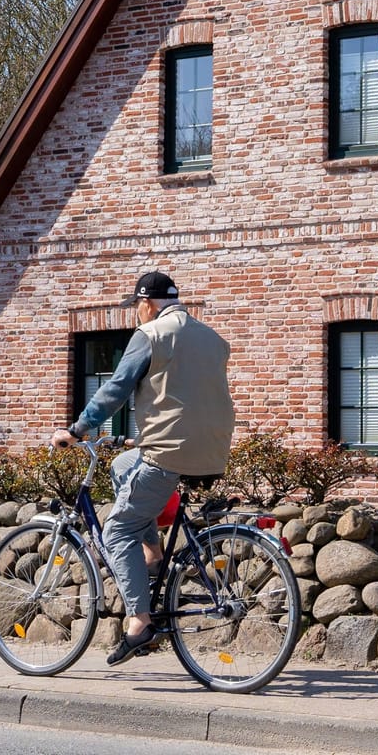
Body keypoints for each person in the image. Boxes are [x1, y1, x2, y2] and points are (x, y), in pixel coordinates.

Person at [50, 270, 235, 665]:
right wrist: (141, 437)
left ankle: (139, 623)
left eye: (136, 305)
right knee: (122, 464)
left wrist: (77, 430)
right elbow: (190, 397)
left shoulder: (150, 335)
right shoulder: (213, 339)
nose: (136, 313)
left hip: (169, 453)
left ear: (147, 303)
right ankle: (152, 553)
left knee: (117, 531)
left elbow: (115, 388)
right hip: (213, 451)